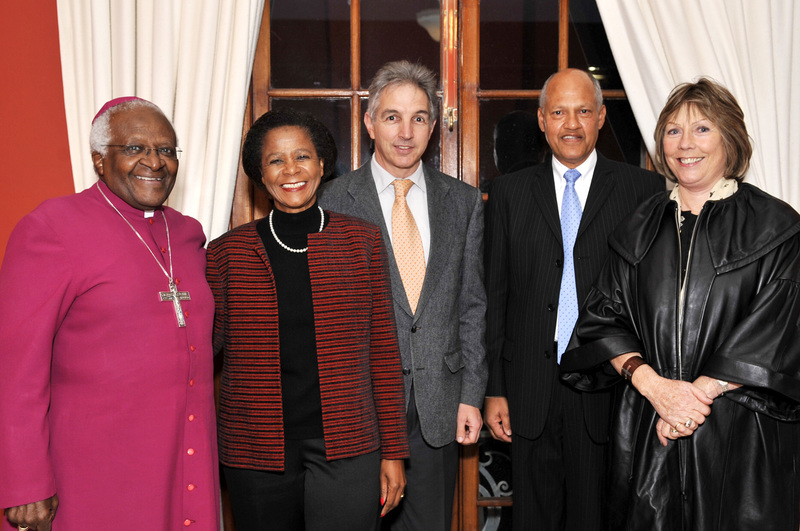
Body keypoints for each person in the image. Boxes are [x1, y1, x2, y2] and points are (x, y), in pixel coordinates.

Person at [561, 77, 800, 530]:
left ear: (730, 138)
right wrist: (657, 389)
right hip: (650, 436)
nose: (685, 144)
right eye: (673, 131)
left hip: (741, 437)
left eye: (702, 129)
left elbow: (779, 328)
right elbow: (600, 323)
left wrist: (694, 399)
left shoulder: (778, 228)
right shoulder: (636, 227)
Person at [0, 97, 220, 530]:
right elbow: (15, 369)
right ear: (100, 159)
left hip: (184, 457)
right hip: (92, 469)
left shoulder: (188, 233)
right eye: (135, 149)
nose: (155, 162)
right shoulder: (52, 228)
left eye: (167, 150)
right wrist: (24, 482)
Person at [206, 108, 409, 530]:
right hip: (255, 450)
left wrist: (393, 451)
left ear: (321, 164)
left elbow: (384, 354)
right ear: (259, 174)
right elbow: (200, 349)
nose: (290, 170)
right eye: (276, 160)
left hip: (349, 446)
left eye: (302, 156)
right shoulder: (227, 252)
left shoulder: (362, 242)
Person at [483, 68, 664, 531]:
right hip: (527, 392)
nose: (571, 124)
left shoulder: (642, 191)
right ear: (541, 120)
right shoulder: (507, 193)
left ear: (601, 117)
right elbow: (495, 296)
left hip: (607, 387)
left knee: (597, 519)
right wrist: (495, 389)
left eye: (583, 111)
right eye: (559, 112)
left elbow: (648, 297)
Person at [319, 60, 487, 531]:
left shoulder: (465, 202)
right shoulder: (331, 202)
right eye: (392, 116)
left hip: (438, 409)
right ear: (370, 122)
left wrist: (471, 394)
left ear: (433, 127)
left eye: (418, 118)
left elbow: (472, 305)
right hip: (360, 409)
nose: (405, 132)